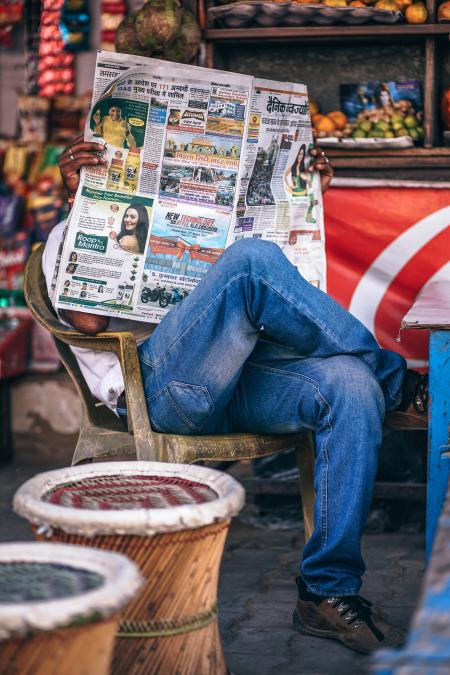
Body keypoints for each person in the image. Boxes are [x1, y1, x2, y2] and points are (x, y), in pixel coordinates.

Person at [51, 135, 428, 656]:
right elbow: (87, 321)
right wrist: (81, 210)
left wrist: (302, 198)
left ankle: (326, 592)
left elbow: (294, 286)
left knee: (351, 384)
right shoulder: (62, 238)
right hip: (161, 393)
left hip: (243, 380)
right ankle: (400, 383)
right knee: (249, 261)